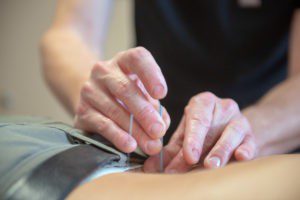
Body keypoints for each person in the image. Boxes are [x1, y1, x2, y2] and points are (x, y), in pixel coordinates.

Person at [40, 0, 300, 173]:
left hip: (267, 142)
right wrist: (99, 93)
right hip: (144, 150)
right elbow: (69, 33)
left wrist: (246, 132)